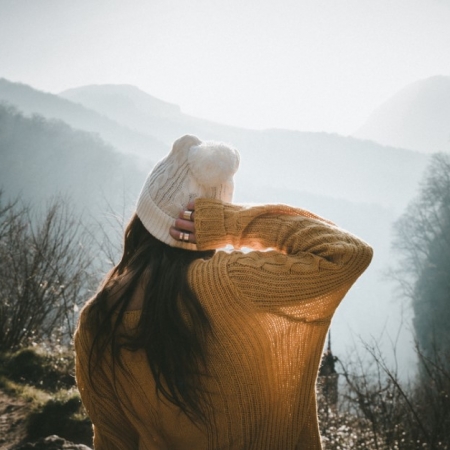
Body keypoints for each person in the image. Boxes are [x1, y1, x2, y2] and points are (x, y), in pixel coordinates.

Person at [74, 134, 373, 450]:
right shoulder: (228, 282)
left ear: (142, 218)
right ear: (204, 222)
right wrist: (231, 223)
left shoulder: (98, 317)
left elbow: (113, 440)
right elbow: (348, 253)